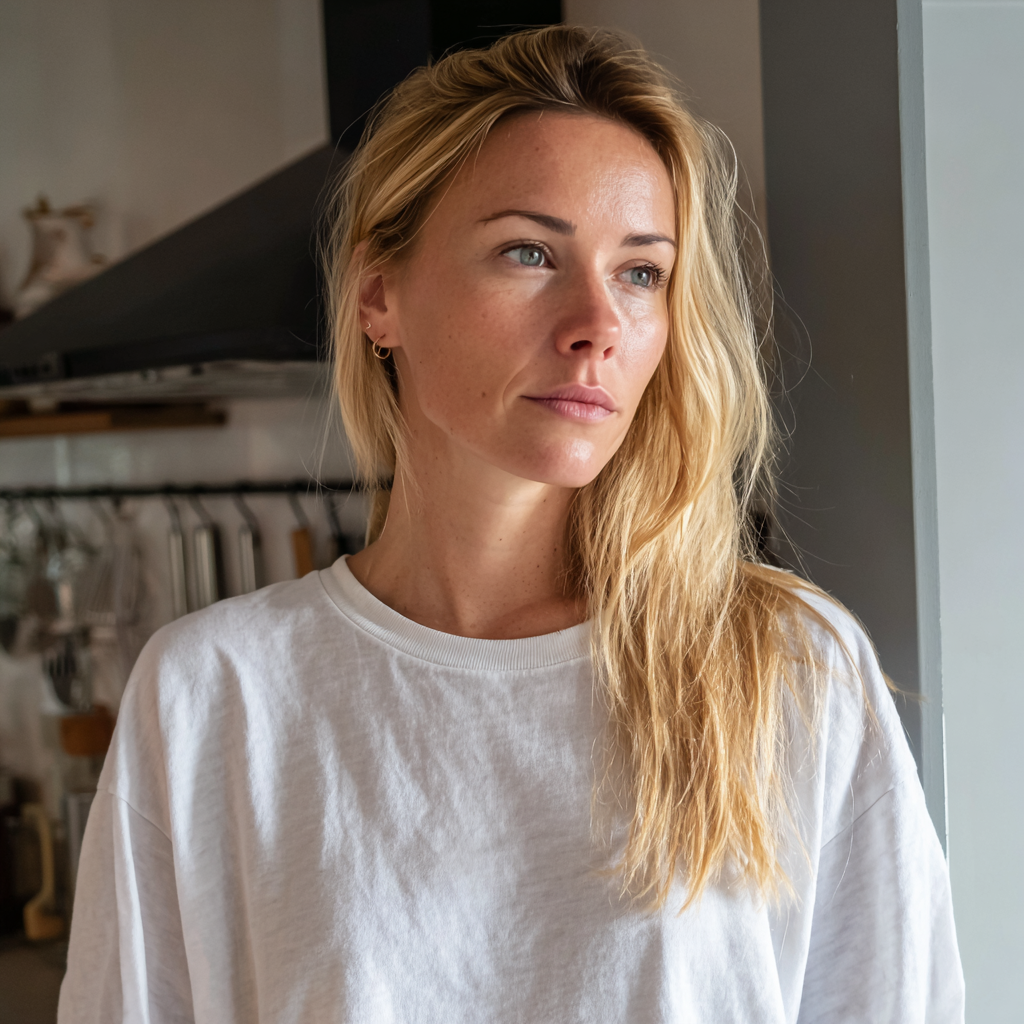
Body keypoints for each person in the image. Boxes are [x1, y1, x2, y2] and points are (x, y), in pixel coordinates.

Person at [59, 25, 963, 1023]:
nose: (596, 324)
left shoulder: (785, 668)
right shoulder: (213, 696)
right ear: (378, 294)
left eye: (640, 272)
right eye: (529, 252)